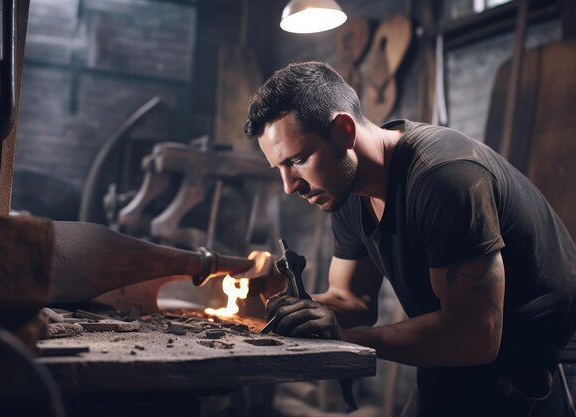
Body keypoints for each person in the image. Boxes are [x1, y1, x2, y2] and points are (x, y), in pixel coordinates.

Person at [243, 61, 576, 417]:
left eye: (298, 160)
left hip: (540, 361)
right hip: (461, 351)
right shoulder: (342, 188)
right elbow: (353, 298)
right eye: (279, 167)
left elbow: (478, 334)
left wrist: (344, 339)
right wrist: (305, 313)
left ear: (344, 131)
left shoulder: (444, 176)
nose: (289, 186)